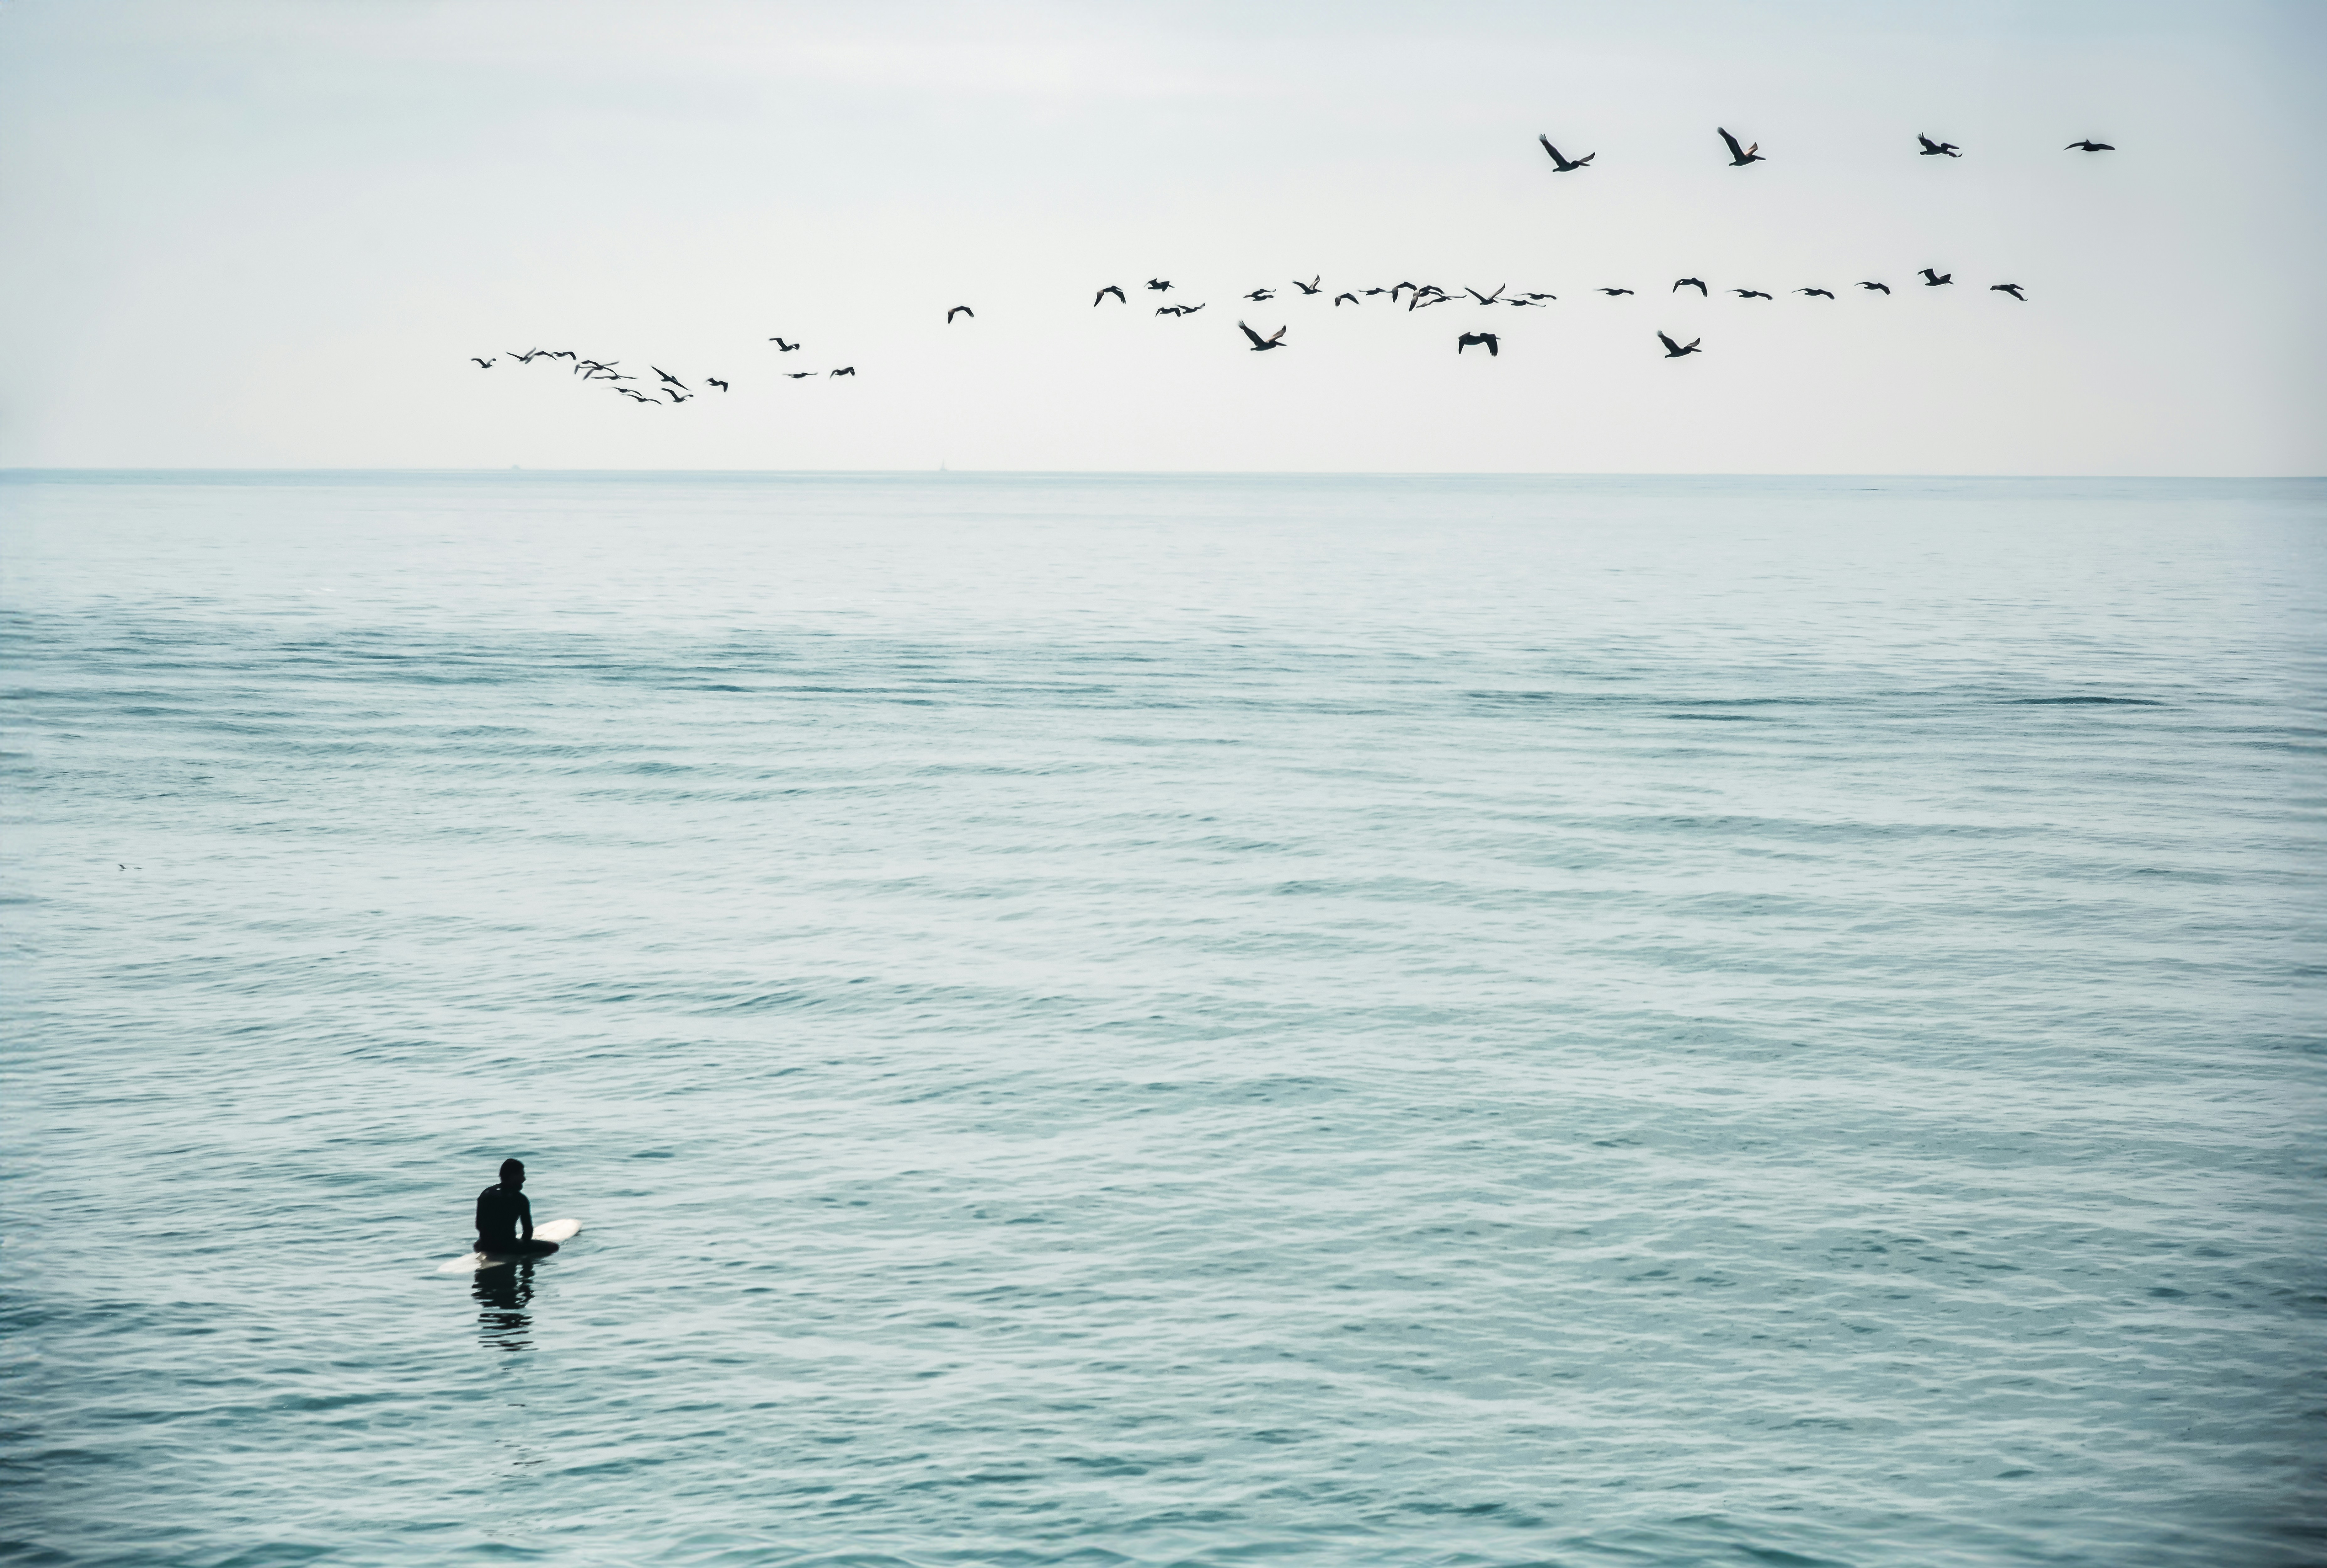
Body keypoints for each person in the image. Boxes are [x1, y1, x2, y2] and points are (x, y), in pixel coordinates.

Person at [475, 1158, 558, 1256]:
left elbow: (479, 1225)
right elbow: (528, 1232)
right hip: (509, 1248)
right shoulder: (520, 1199)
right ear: (512, 1176)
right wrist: (522, 1246)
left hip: (484, 1246)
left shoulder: (486, 1193)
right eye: (522, 1175)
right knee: (554, 1247)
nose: (524, 1179)